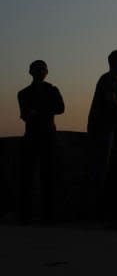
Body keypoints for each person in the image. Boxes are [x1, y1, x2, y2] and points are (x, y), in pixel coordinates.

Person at [17, 60, 65, 222]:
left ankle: (45, 214)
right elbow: (26, 114)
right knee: (31, 176)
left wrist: (37, 111)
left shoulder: (48, 90)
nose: (41, 72)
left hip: (44, 137)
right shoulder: (25, 93)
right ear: (31, 72)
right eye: (39, 69)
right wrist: (43, 110)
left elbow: (60, 108)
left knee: (46, 176)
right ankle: (31, 214)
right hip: (36, 137)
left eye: (43, 69)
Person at [87, 49, 117, 212]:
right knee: (100, 168)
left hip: (108, 128)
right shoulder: (108, 80)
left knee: (104, 167)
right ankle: (97, 207)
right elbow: (112, 104)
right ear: (114, 63)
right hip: (101, 129)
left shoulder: (114, 81)